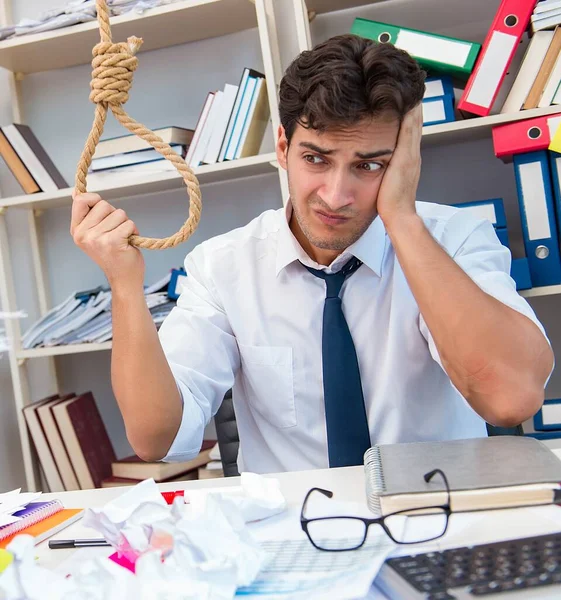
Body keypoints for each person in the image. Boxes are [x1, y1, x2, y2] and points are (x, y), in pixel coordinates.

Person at [71, 34, 554, 474]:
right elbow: (156, 437)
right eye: (316, 159)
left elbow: (509, 400)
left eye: (368, 165)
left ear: (405, 161)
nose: (336, 195)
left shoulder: (456, 239)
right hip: (291, 531)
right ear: (282, 147)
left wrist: (401, 218)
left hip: (436, 521)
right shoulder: (223, 266)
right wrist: (125, 287)